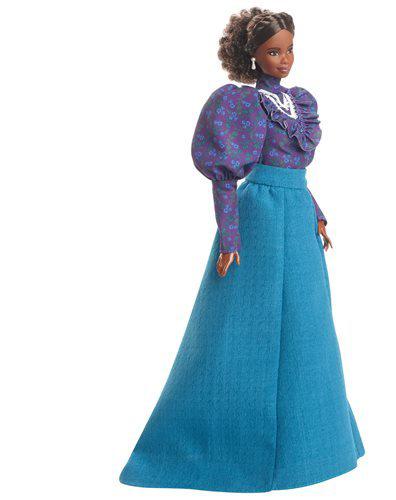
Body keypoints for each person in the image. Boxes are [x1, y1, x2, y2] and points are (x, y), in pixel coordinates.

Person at [119, 7, 364, 492]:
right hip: (261, 220)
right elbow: (226, 179)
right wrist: (230, 237)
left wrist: (317, 214)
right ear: (252, 55)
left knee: (309, 323)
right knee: (240, 324)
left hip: (297, 218)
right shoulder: (242, 103)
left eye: (289, 49)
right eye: (274, 51)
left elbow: (296, 172)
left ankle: (314, 447)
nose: (284, 59)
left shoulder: (298, 102)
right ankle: (214, 445)